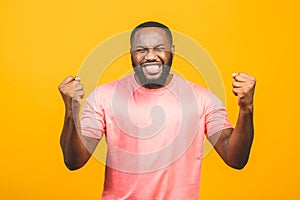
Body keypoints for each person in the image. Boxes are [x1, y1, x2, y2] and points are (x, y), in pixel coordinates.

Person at [58, 21, 256, 199]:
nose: (150, 56)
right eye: (141, 50)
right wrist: (70, 112)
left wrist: (246, 109)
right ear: (131, 54)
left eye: (159, 48)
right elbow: (74, 161)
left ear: (172, 51)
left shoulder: (202, 98)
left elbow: (235, 158)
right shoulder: (104, 96)